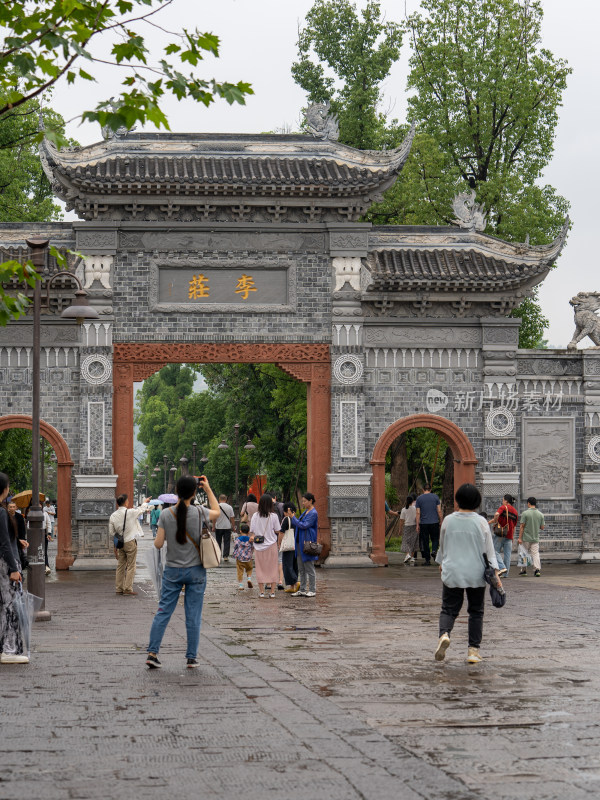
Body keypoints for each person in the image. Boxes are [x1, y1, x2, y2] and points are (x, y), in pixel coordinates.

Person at [146, 475, 220, 669]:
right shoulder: (200, 512)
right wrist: (209, 489)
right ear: (194, 492)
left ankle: (152, 653)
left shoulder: (165, 514)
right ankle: (191, 657)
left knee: (163, 611)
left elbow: (158, 543)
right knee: (193, 614)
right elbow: (217, 512)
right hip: (196, 571)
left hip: (172, 571)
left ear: (176, 491)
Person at [434, 483, 500, 664]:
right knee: (476, 611)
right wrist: (495, 573)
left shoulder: (448, 520)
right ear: (477, 502)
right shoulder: (481, 522)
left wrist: (441, 563)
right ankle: (473, 650)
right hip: (476, 572)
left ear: (458, 500)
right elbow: (489, 551)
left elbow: (443, 545)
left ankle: (444, 634)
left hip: (453, 571)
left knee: (448, 609)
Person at [0, 472, 28, 664]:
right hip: (4, 566)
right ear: (5, 489)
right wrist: (13, 568)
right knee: (10, 607)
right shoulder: (1, 512)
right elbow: (4, 544)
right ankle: (9, 649)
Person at [109, 493, 151, 596]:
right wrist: (145, 502)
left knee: (120, 565)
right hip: (130, 542)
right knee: (131, 565)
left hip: (120, 543)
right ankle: (128, 588)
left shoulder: (113, 515)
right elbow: (141, 510)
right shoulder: (130, 512)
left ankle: (119, 588)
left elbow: (111, 532)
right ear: (125, 502)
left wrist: (115, 545)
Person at [249, 494, 281, 598]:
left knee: (260, 568)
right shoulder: (274, 516)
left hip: (259, 546)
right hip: (271, 545)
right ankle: (272, 592)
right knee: (272, 568)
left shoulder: (255, 516)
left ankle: (262, 592)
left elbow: (252, 531)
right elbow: (277, 530)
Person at [290, 492, 319, 598]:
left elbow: (304, 525)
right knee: (301, 568)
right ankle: (302, 589)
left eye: (304, 501)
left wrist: (293, 518)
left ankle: (312, 589)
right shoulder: (306, 512)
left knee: (309, 567)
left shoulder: (313, 513)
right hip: (300, 542)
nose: (303, 503)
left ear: (310, 501)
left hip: (307, 543)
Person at [490, 494, 518, 577]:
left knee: (495, 551)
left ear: (506, 501)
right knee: (507, 555)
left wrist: (495, 521)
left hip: (500, 534)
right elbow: (514, 525)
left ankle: (502, 567)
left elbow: (496, 514)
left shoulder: (503, 507)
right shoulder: (515, 512)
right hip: (509, 535)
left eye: (503, 500)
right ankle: (506, 574)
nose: (502, 501)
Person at [415, 483, 443, 565]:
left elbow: (418, 513)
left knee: (425, 541)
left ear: (423, 489)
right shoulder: (436, 497)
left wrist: (417, 524)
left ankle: (427, 560)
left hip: (424, 523)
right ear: (430, 489)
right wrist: (441, 520)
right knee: (435, 538)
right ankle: (434, 550)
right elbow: (439, 510)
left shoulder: (419, 499)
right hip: (434, 522)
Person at [518, 497, 545, 577]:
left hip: (526, 537)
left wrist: (519, 538)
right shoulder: (540, 514)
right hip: (535, 537)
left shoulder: (525, 513)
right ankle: (537, 570)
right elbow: (542, 527)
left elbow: (522, 526)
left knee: (524, 553)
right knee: (535, 554)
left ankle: (524, 570)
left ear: (528, 503)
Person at [281, 502, 299, 593]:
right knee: (294, 565)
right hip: (296, 545)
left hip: (288, 546)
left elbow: (281, 532)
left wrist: (279, 543)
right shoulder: (296, 519)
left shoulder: (286, 519)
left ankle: (295, 582)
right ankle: (292, 587)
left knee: (287, 565)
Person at [7, 502, 28, 573]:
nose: (12, 508)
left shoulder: (19, 516)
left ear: (16, 508)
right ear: (8, 508)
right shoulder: (5, 516)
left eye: (13, 507)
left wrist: (22, 539)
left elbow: (22, 529)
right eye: (10, 507)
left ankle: (19, 568)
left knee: (19, 554)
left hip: (19, 539)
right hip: (9, 539)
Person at [232, 522, 253, 590]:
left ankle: (241, 585)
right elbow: (252, 547)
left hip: (240, 558)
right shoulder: (250, 539)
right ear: (248, 531)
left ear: (240, 531)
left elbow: (235, 547)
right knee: (249, 569)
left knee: (240, 571)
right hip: (248, 558)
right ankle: (249, 578)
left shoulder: (238, 539)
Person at [215, 494, 235, 563]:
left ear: (219, 499)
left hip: (218, 527)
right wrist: (233, 526)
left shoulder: (216, 506)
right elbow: (232, 518)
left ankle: (218, 555)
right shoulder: (229, 507)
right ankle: (225, 556)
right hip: (227, 527)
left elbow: (214, 518)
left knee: (218, 542)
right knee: (227, 542)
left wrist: (213, 526)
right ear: (226, 499)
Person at [399, 495, 418, 565]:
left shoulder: (404, 509)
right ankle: (412, 557)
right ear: (412, 501)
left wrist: (400, 529)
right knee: (413, 541)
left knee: (406, 541)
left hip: (407, 526)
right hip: (414, 526)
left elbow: (401, 520)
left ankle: (407, 554)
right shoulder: (415, 508)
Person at [43, 503, 53, 575]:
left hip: (43, 533)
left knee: (44, 551)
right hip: (34, 534)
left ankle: (46, 566)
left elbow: (48, 523)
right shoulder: (31, 512)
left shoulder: (45, 514)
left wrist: (49, 533)